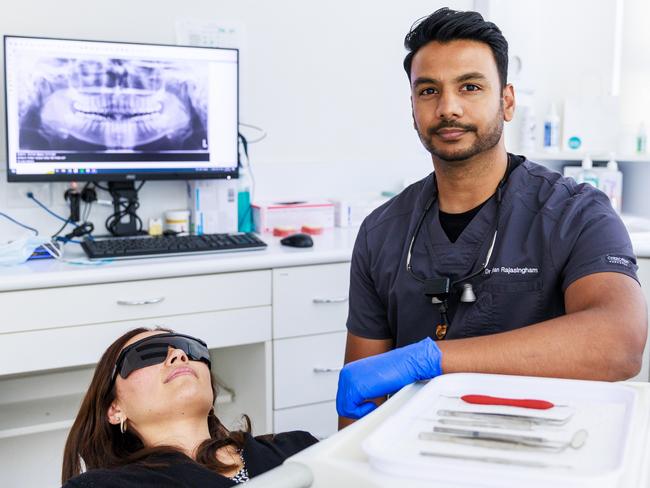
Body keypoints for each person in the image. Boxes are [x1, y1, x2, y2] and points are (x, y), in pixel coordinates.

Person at [336, 7, 647, 424]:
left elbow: (619, 342)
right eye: (428, 91)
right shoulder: (381, 233)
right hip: (414, 453)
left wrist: (432, 359)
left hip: (549, 447)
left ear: (507, 101)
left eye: (470, 87)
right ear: (412, 107)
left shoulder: (576, 213)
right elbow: (360, 409)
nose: (448, 107)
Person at [61, 327, 317, 487]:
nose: (179, 355)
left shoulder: (299, 448)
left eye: (191, 350)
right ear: (115, 409)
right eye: (148, 353)